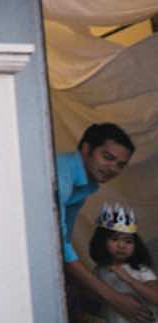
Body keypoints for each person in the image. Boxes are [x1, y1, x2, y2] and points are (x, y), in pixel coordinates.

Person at [57, 123, 149, 322]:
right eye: (108, 157)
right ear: (86, 149)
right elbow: (59, 243)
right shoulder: (60, 173)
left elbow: (62, 239)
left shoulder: (83, 186)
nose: (113, 169)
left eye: (120, 165)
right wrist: (113, 297)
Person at [89, 203, 158, 323]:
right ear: (101, 242)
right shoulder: (99, 270)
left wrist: (128, 279)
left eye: (128, 241)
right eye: (114, 239)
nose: (121, 246)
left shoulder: (141, 270)